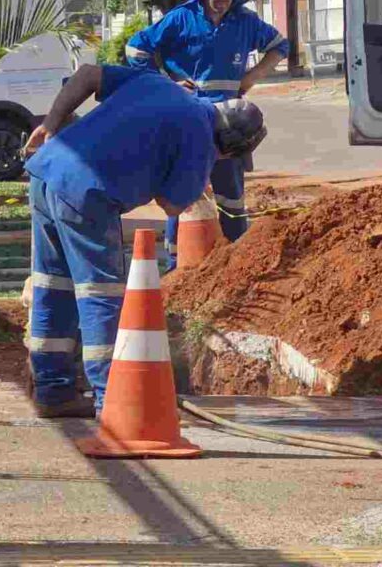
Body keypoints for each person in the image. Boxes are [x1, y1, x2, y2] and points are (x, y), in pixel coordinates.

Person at [22, 63, 267, 417]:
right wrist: (194, 176)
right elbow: (172, 205)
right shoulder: (201, 139)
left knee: (52, 284)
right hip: (86, 193)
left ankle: (53, 392)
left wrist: (50, 124)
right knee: (100, 293)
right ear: (229, 144)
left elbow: (88, 74)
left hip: (46, 171)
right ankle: (113, 400)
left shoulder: (160, 84)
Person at [126, 0, 289, 270]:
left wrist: (251, 77)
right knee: (183, 192)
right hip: (187, 121)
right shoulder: (181, 18)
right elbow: (136, 49)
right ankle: (178, 266)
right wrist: (165, 84)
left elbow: (280, 46)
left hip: (230, 125)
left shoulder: (245, 21)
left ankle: (237, 261)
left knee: (231, 196)